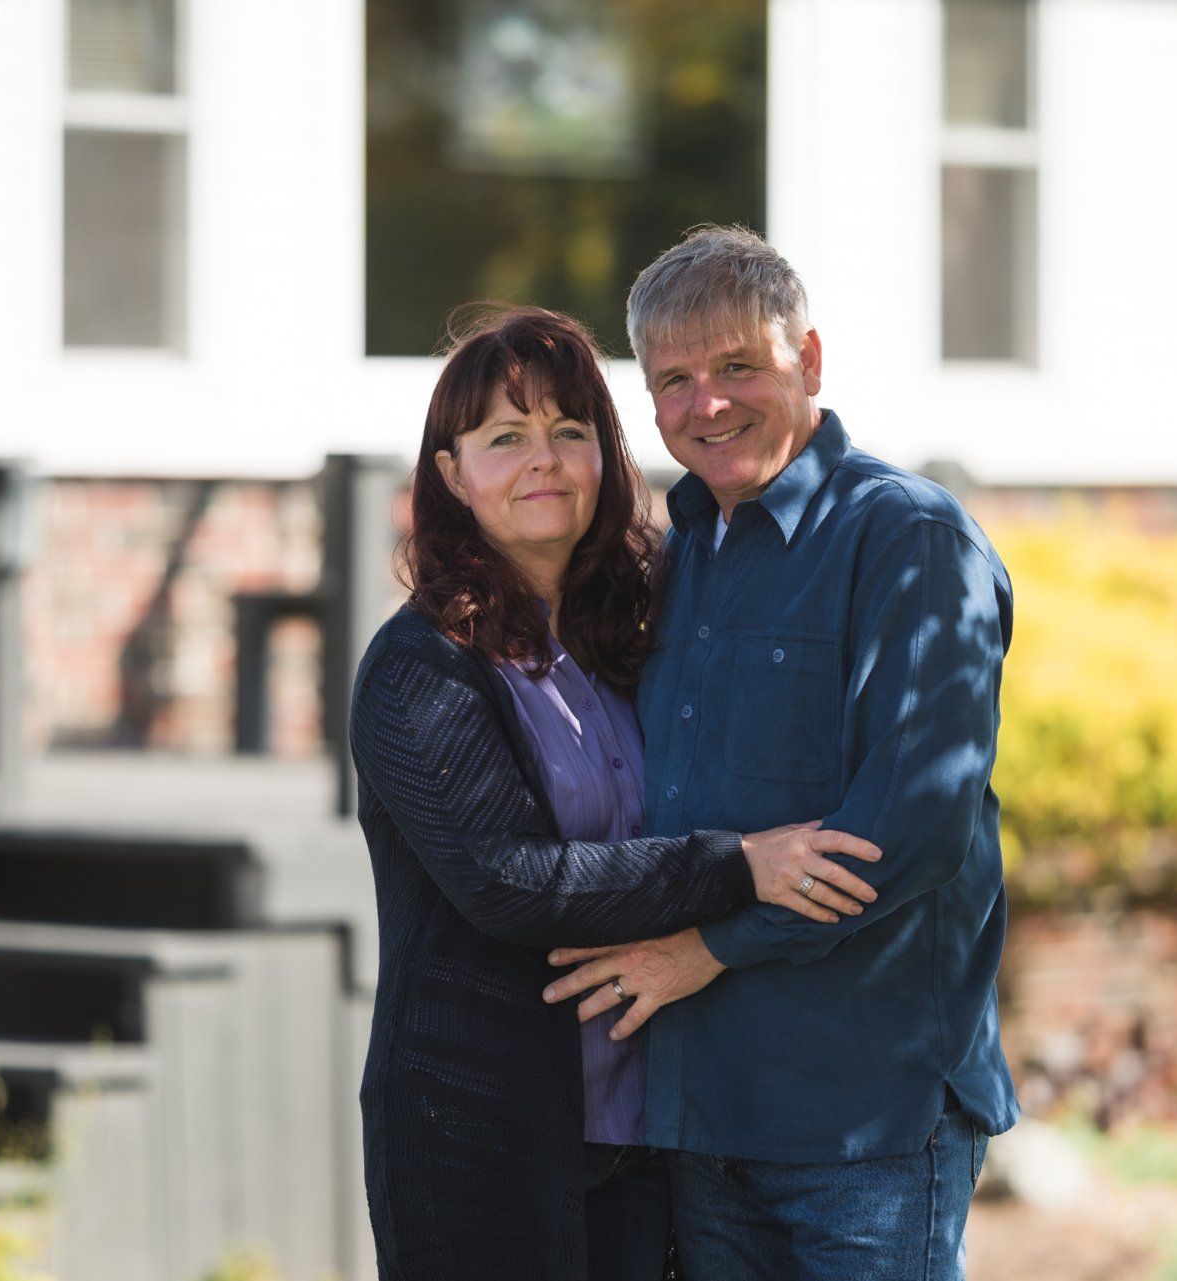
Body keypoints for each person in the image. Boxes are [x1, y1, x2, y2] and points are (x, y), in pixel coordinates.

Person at [347, 306, 884, 1281]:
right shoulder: (420, 669)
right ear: (452, 475)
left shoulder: (632, 642)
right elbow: (510, 882)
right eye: (505, 439)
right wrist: (741, 867)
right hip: (481, 1133)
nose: (542, 460)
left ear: (606, 452)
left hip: (644, 1135)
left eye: (569, 430)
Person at [542, 227, 1018, 1279]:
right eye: (674, 379)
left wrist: (703, 952)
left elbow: (911, 826)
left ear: (809, 361)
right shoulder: (678, 559)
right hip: (705, 1115)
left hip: (864, 1113)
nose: (706, 404)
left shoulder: (909, 543)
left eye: (738, 367)